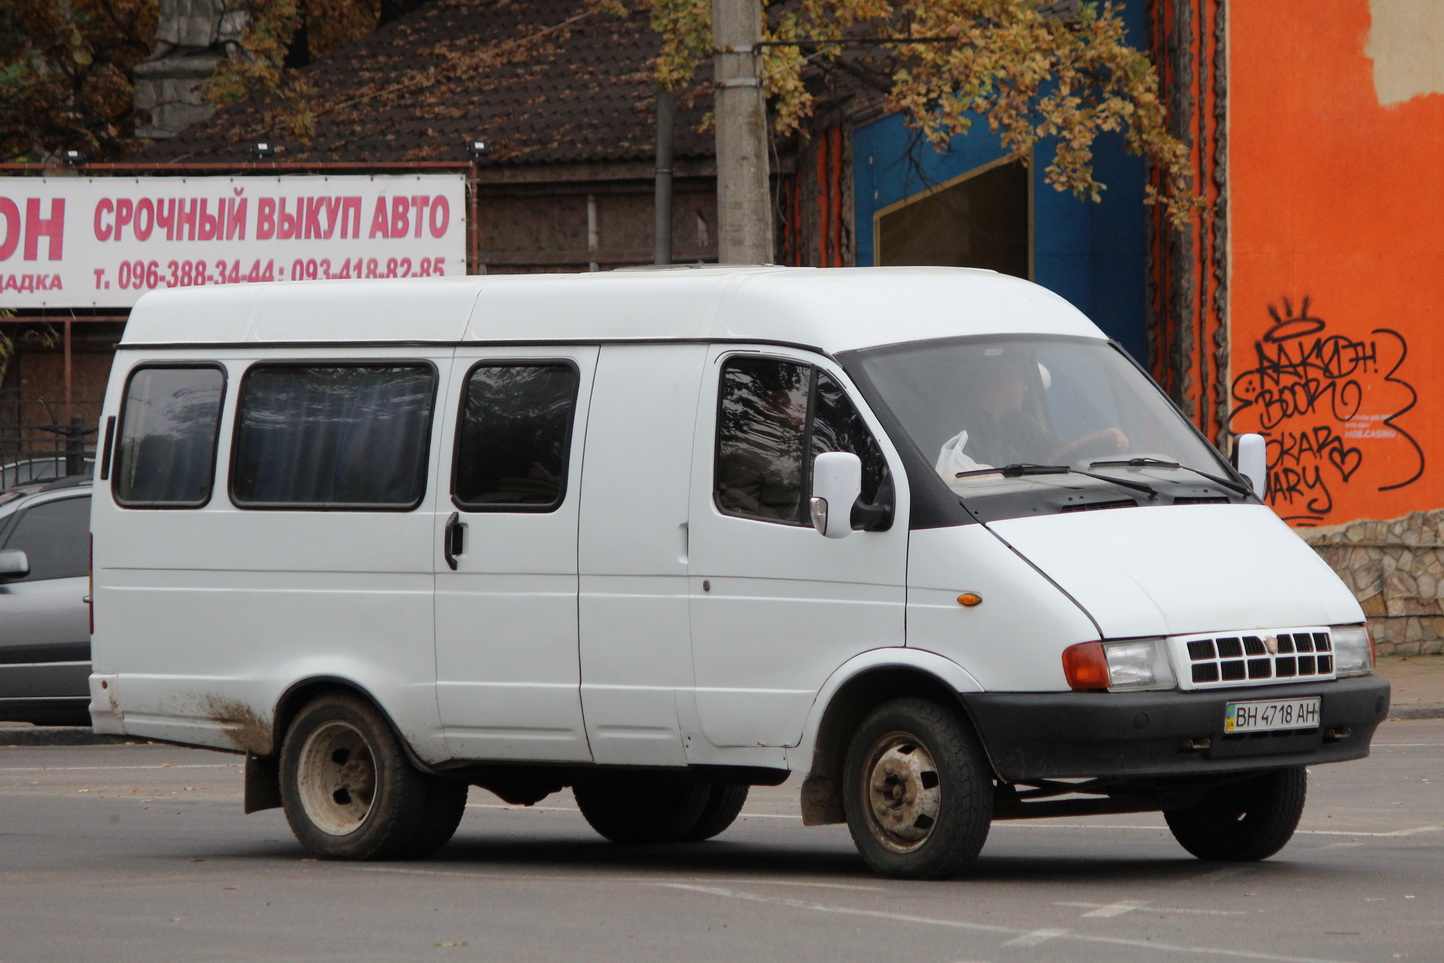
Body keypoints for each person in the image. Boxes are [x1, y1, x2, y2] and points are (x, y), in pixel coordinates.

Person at [935, 349, 1127, 483]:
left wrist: (1100, 439)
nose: (1026, 388)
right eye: (1022, 380)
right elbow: (964, 479)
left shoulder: (1021, 422)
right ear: (1003, 384)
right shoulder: (963, 431)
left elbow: (1058, 449)